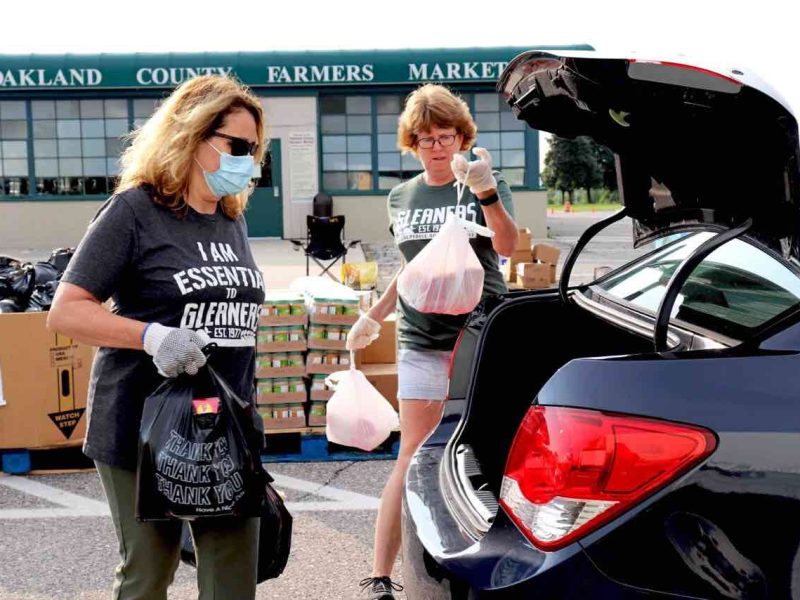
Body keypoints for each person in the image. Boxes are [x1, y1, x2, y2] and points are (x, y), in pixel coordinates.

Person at [47, 75, 268, 600]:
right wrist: (151, 336)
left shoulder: (229, 219)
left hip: (223, 426)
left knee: (233, 573)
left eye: (255, 150)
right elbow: (67, 311)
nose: (249, 161)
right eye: (237, 147)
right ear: (192, 137)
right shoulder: (135, 211)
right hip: (142, 427)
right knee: (149, 573)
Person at [348, 84, 519, 599]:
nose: (437, 147)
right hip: (421, 337)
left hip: (479, 335)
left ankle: (491, 568)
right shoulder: (401, 196)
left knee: (488, 451)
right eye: (425, 139)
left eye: (446, 136)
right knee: (413, 454)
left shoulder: (485, 183)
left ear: (463, 137)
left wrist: (486, 191)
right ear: (412, 143)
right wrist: (374, 316)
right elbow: (412, 267)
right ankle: (381, 574)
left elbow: (508, 246)